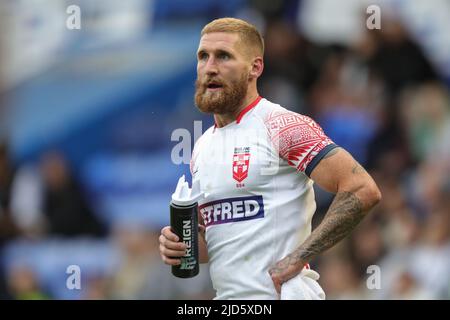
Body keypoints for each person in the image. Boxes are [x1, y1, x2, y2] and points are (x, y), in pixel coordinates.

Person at [159, 17, 381, 299]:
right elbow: (222, 239)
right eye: (203, 56)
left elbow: (362, 188)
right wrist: (182, 246)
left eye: (223, 56)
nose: (210, 67)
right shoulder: (202, 146)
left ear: (255, 67)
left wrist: (300, 256)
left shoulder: (281, 125)